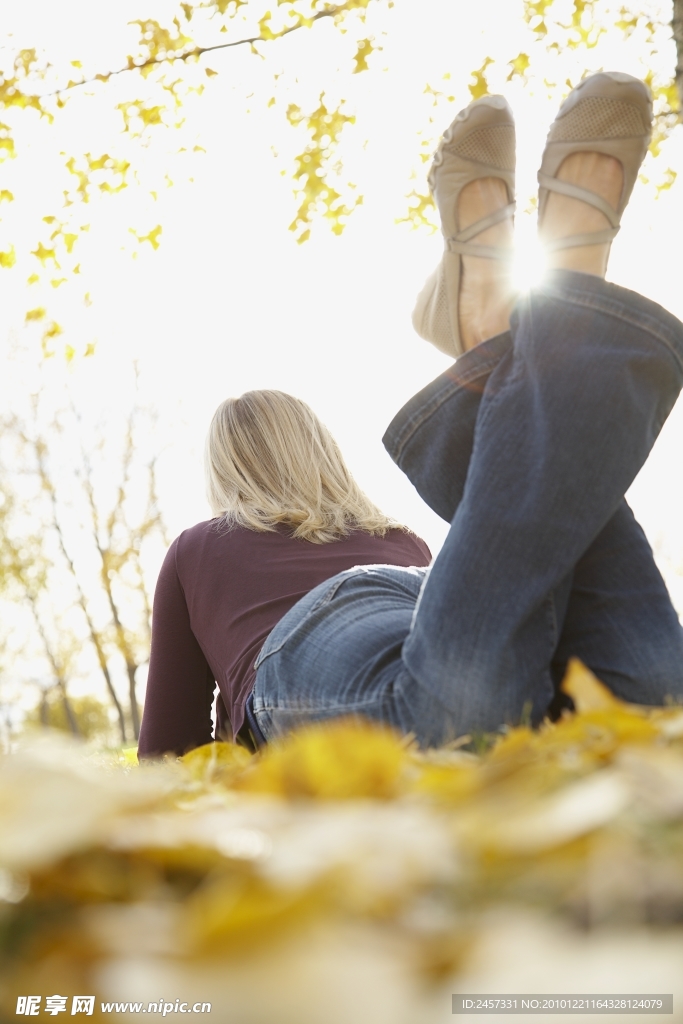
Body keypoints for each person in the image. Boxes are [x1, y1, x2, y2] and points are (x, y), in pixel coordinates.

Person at [138, 72, 683, 758]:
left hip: (305, 647)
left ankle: (517, 329)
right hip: (414, 598)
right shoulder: (400, 540)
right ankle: (531, 330)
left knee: (459, 726)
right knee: (636, 702)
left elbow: (168, 748)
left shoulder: (199, 549)